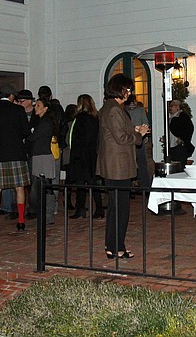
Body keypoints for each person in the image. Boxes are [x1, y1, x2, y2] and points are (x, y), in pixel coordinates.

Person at [97, 74, 149, 259]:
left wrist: (133, 130)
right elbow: (121, 138)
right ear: (120, 89)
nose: (130, 93)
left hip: (115, 164)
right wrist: (139, 135)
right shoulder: (114, 110)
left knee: (116, 207)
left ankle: (114, 245)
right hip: (117, 165)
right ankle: (115, 246)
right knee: (120, 208)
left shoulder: (109, 107)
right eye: (128, 89)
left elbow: (116, 132)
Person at [0, 84, 32, 233]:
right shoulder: (18, 110)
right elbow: (25, 132)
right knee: (19, 188)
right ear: (11, 96)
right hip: (16, 153)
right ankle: (21, 222)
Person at [69, 94, 104, 219]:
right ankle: (97, 208)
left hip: (81, 154)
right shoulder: (94, 118)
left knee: (82, 182)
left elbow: (77, 138)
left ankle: (82, 209)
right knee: (92, 182)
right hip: (91, 154)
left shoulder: (81, 118)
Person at [26, 98, 60, 224]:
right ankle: (44, 213)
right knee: (42, 184)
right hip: (39, 155)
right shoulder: (42, 120)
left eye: (38, 105)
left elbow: (34, 137)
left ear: (45, 108)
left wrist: (26, 136)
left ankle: (48, 214)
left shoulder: (46, 121)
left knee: (46, 184)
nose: (36, 107)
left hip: (43, 156)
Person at [125, 94, 153, 188]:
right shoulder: (140, 110)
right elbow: (146, 124)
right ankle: (146, 188)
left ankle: (130, 187)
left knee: (128, 165)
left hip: (127, 141)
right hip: (139, 139)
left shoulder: (123, 111)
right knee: (142, 164)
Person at [167, 99, 194, 165]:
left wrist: (182, 138)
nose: (170, 108)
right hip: (172, 146)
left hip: (179, 146)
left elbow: (189, 129)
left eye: (172, 106)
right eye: (170, 106)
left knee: (179, 166)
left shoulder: (182, 116)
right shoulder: (172, 117)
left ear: (177, 107)